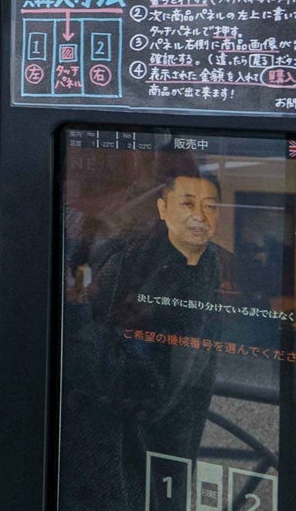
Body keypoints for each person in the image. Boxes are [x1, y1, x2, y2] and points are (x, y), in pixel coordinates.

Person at [63, 167, 238, 509]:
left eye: (210, 207)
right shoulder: (113, 241)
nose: (200, 217)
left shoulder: (192, 261)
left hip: (126, 465)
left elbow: (143, 387)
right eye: (187, 204)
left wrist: (77, 312)